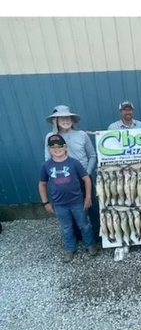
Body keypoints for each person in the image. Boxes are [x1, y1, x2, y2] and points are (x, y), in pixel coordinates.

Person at [39, 135, 98, 262]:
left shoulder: (74, 163)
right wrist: (45, 202)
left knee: (84, 224)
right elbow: (42, 184)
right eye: (53, 147)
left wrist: (88, 197)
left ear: (65, 147)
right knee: (66, 227)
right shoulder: (46, 166)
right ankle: (70, 248)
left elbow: (86, 179)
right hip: (59, 204)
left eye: (60, 146)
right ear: (49, 149)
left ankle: (90, 244)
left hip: (77, 202)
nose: (57, 149)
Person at [45, 105, 99, 239]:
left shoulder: (82, 135)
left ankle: (98, 234)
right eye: (61, 118)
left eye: (67, 117)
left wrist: (86, 173)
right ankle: (78, 236)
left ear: (72, 119)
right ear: (55, 121)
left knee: (92, 206)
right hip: (65, 180)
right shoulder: (51, 137)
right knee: (72, 209)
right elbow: (47, 160)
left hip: (85, 177)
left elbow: (92, 155)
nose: (65, 120)